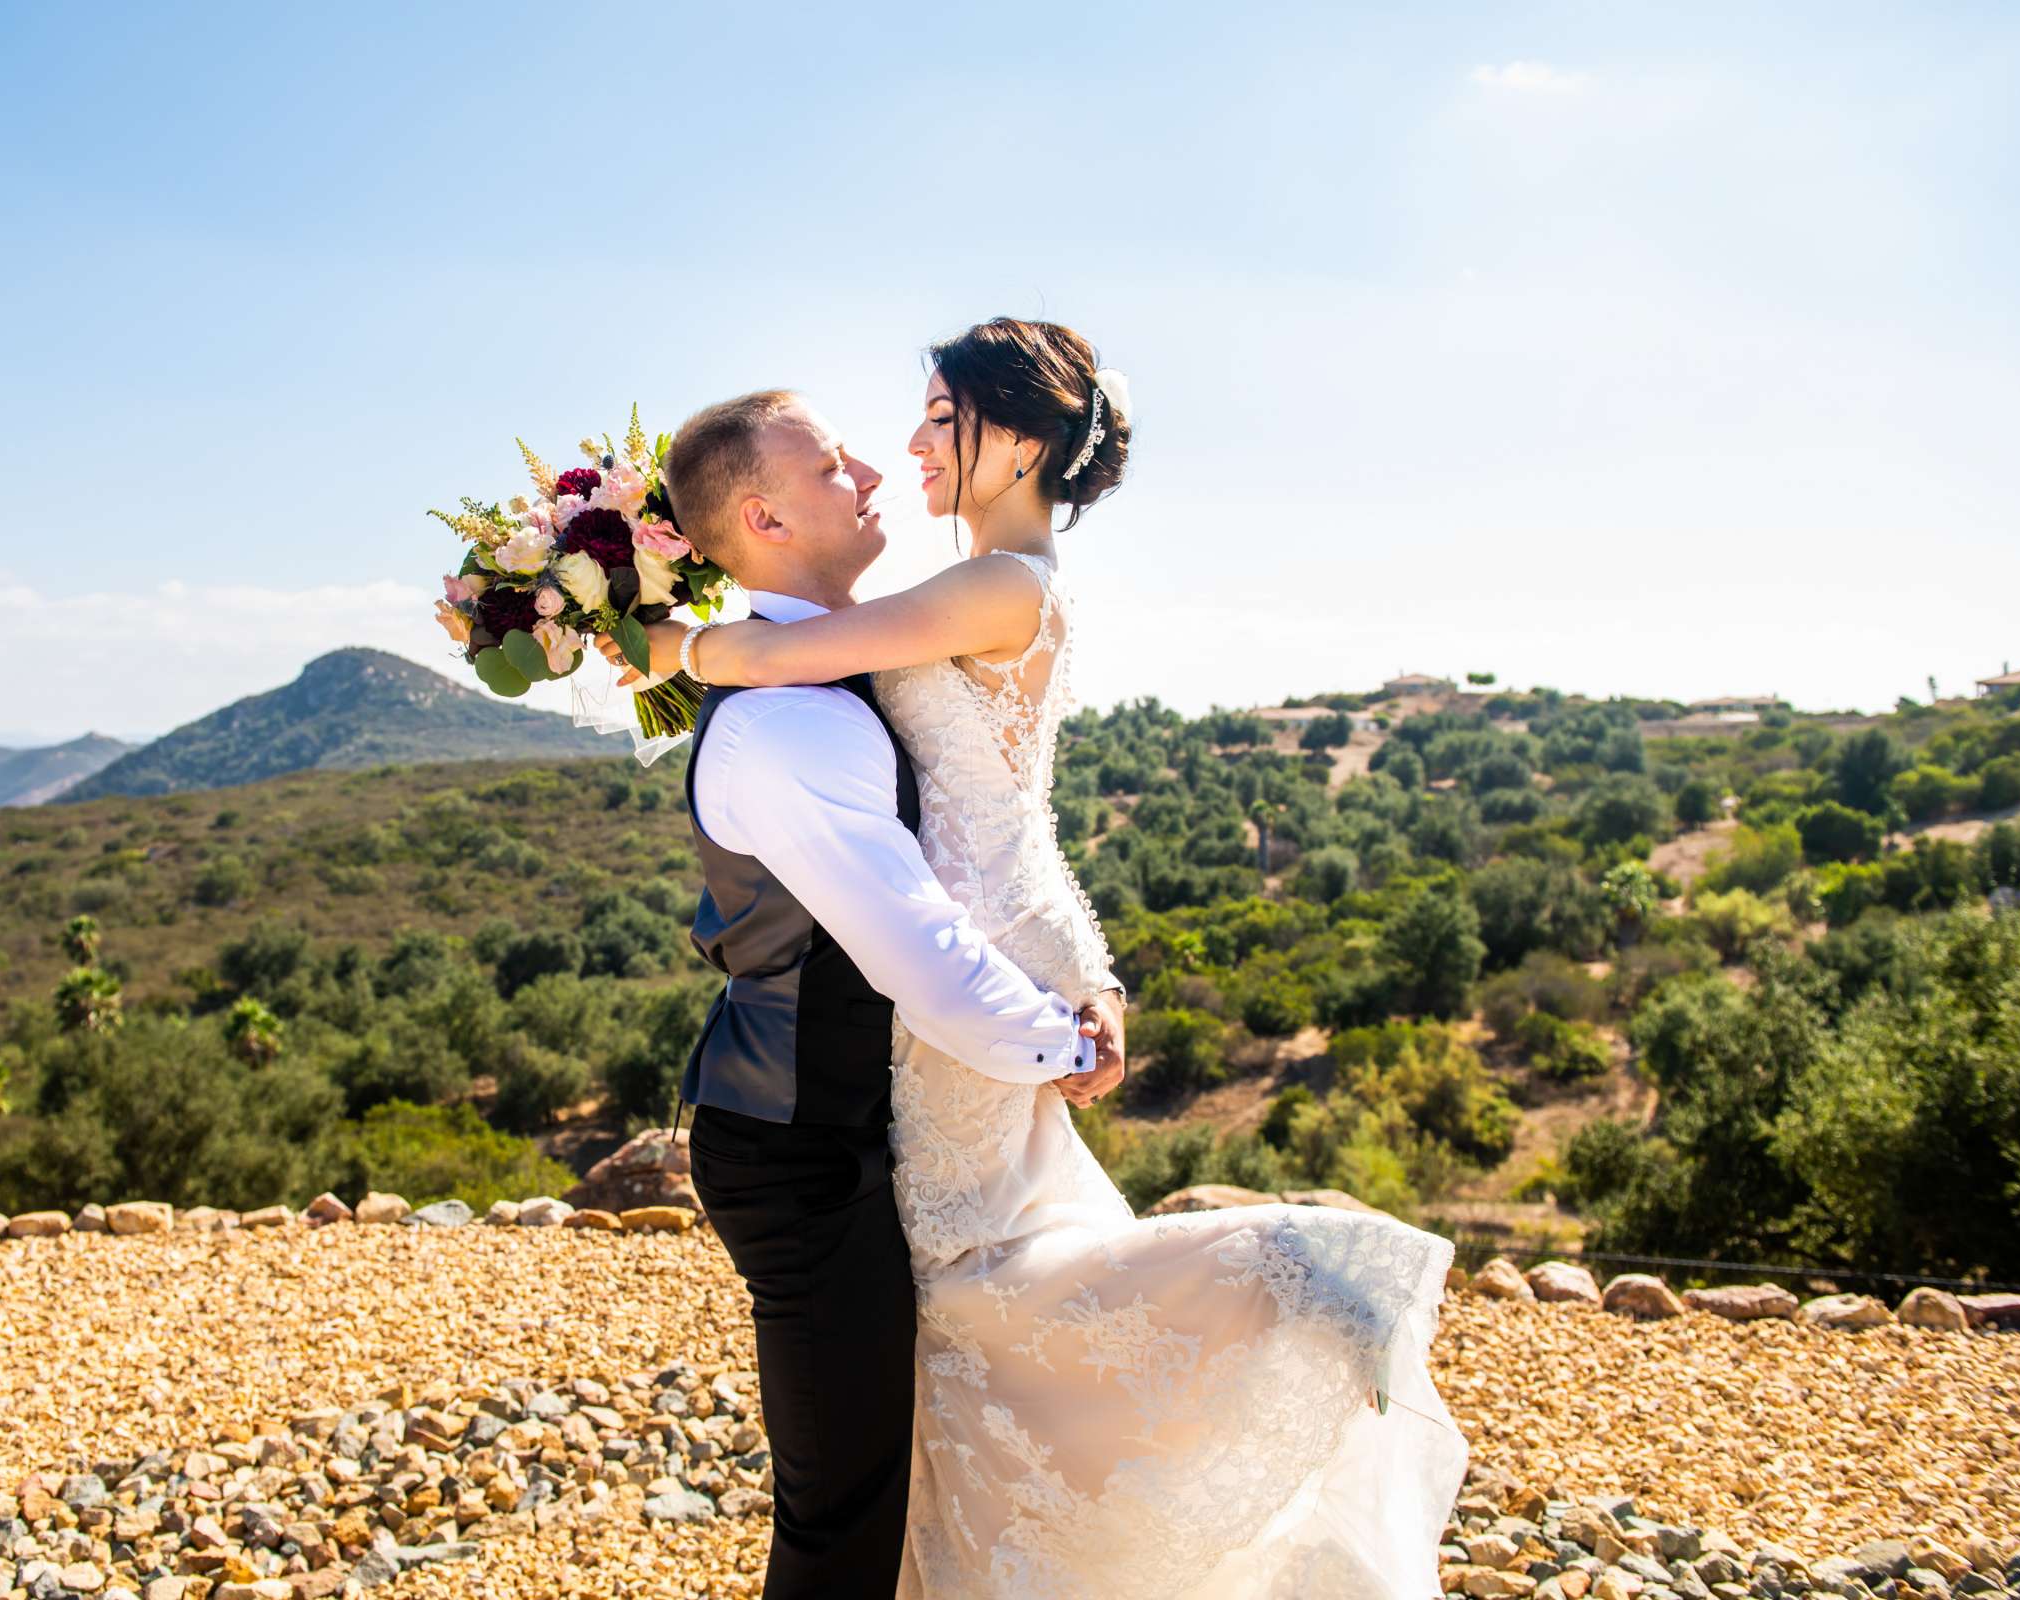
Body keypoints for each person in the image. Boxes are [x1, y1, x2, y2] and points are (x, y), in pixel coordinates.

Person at [619, 321, 1469, 1599]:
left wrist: (667, 649)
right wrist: (1095, 975)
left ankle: (1290, 1289)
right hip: (995, 948)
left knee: (976, 1279)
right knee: (975, 1279)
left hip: (964, 984)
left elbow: (782, 652)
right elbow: (1025, 822)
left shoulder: (999, 585)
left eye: (938, 415)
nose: (908, 443)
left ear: (1018, 438)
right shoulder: (987, 583)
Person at [653, 386, 1131, 1600]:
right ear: (762, 515)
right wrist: (1058, 1041)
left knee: (913, 1465)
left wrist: (1090, 980)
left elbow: (1008, 828)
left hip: (865, 1126)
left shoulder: (862, 657)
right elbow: (918, 954)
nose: (872, 468)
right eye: (830, 464)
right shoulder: (789, 732)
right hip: (802, 1150)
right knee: (844, 1517)